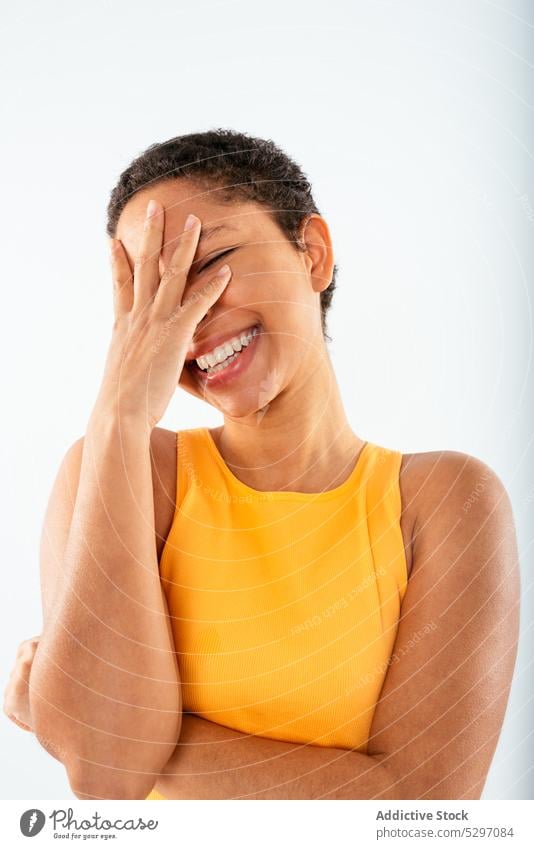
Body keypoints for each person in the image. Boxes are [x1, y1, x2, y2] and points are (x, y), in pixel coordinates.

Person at [4, 129, 520, 800]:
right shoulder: (121, 467)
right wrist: (118, 415)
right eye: (150, 297)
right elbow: (106, 768)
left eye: (209, 259)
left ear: (313, 253)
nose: (182, 322)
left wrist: (93, 721)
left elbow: (422, 810)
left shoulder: (448, 500)